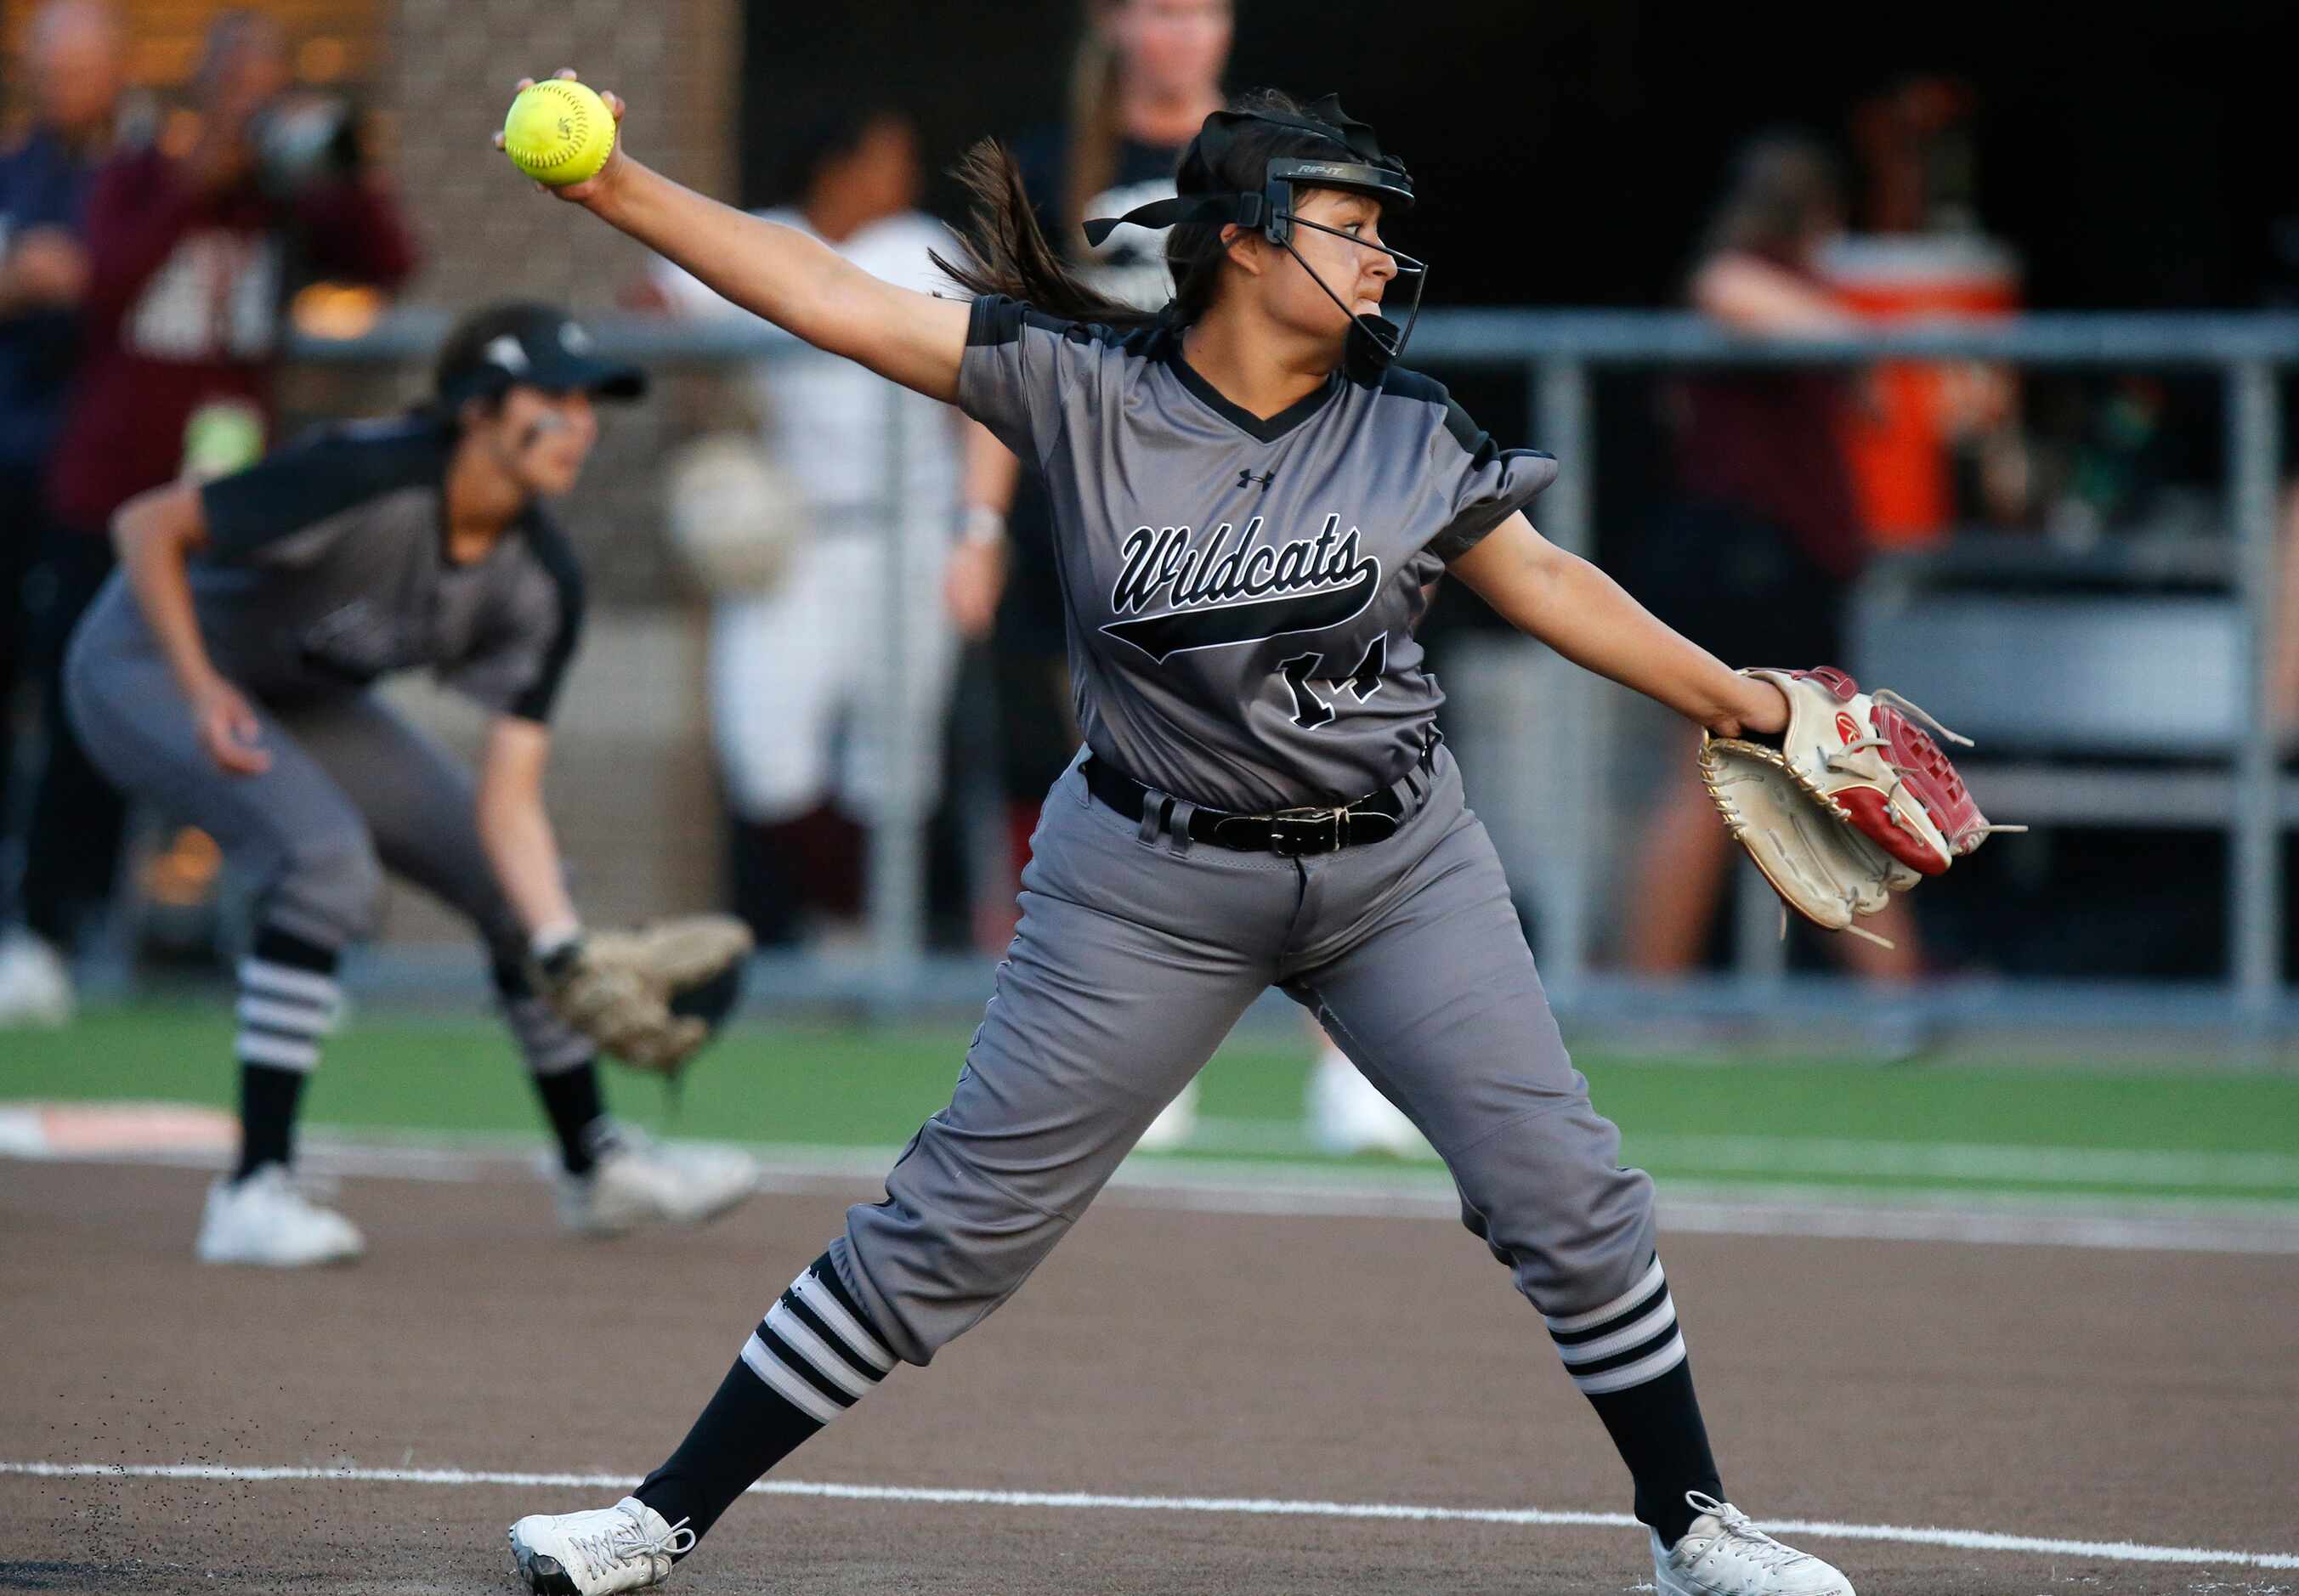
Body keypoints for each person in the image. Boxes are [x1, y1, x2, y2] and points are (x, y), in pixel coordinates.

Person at [495, 77, 1860, 1596]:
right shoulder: (1081, 384)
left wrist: (1749, 702)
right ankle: (656, 1516)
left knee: (1564, 1185)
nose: (1377, 259)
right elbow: (825, 295)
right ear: (1245, 247)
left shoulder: (1409, 424)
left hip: (1398, 869)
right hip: (1144, 882)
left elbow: (1551, 585)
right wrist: (613, 186)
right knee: (958, 1222)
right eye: (1347, 227)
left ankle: (1694, 1527)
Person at [61, 302, 760, 1266]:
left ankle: (592, 1164)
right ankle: (253, 1190)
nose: (580, 423)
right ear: (476, 407)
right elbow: (146, 528)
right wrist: (200, 684)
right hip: (142, 661)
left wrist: (559, 949)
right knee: (324, 861)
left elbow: (508, 799)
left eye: (589, 402)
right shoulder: (364, 472)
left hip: (297, 692)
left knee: (513, 878)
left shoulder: (543, 578)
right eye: (552, 396)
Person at [943, 0, 1416, 1155]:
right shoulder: (1058, 170)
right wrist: (973, 525)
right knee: (1135, 809)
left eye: (1194, 9)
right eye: (1152, 10)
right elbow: (994, 356)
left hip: (1266, 532)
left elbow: (1331, 337)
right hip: (1106, 544)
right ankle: (1147, 1070)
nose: (1175, 33)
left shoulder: (1272, 164)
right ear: (1111, 27)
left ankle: (1346, 1065)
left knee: (1309, 782)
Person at [0, 8, 418, 1025]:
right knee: (85, 706)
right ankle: (48, 928)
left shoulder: (282, 200)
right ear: (204, 87)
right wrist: (201, 178)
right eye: (240, 85)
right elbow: (108, 287)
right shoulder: (142, 171)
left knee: (250, 709)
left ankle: (276, 936)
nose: (254, 105)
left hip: (230, 500)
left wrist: (334, 169)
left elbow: (389, 258)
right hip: (111, 492)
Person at [638, 105, 962, 948]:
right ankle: (849, 919)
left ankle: (881, 940)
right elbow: (646, 306)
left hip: (910, 530)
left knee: (894, 762)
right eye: (888, 158)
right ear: (837, 166)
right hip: (795, 535)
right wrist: (710, 388)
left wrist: (977, 527)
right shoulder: (769, 241)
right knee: (763, 752)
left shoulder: (927, 245)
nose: (904, 175)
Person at [1620, 133, 1920, 979]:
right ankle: (1651, 990)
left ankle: (1893, 995)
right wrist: (1861, 338)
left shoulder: (1798, 287)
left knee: (1826, 770)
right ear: (1816, 216)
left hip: (1782, 566)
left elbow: (1867, 397)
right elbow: (1741, 300)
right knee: (1722, 775)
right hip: (1740, 565)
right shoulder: (1742, 274)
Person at [0, 0, 125, 1022]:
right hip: (9, 458)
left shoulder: (139, 176)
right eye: (53, 64)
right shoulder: (13, 171)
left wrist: (94, 277)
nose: (65, 82)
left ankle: (60, 922)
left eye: (85, 64)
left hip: (99, 478)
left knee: (90, 696)